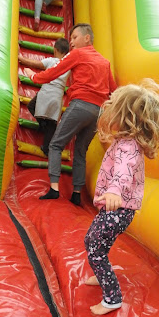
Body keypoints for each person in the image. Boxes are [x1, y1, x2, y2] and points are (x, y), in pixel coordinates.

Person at [84, 79, 159, 315]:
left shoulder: (127, 148)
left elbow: (123, 171)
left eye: (114, 108)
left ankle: (112, 298)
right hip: (117, 208)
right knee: (93, 241)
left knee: (95, 248)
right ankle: (102, 274)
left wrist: (114, 191)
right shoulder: (125, 142)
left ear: (125, 116)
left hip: (118, 207)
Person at [23, 23, 117, 206]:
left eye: (74, 37)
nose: (71, 42)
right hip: (97, 112)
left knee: (56, 144)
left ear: (87, 38)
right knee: (80, 151)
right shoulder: (104, 62)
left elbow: (54, 72)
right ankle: (76, 194)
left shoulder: (78, 54)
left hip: (80, 105)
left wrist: (33, 76)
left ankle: (54, 189)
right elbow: (113, 91)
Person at [18, 38, 70, 155]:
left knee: (32, 106)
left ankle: (43, 125)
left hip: (46, 92)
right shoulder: (68, 66)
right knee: (52, 122)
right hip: (57, 96)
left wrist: (21, 58)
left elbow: (34, 63)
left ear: (55, 50)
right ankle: (46, 147)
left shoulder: (51, 61)